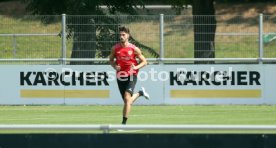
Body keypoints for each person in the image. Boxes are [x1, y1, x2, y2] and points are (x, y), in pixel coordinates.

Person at [109, 26, 150, 125]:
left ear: (128, 36)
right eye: (120, 35)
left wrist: (136, 68)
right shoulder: (115, 48)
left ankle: (123, 124)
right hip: (120, 75)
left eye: (123, 35)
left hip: (132, 75)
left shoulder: (134, 49)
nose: (121, 36)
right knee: (127, 102)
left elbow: (144, 62)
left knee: (127, 99)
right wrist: (115, 66)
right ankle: (140, 93)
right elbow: (110, 60)